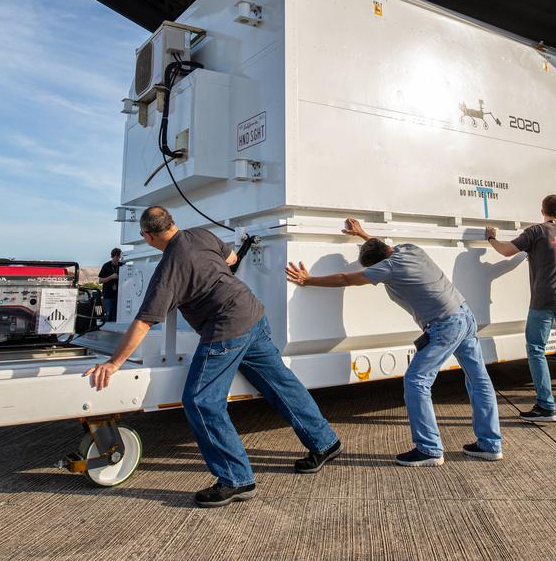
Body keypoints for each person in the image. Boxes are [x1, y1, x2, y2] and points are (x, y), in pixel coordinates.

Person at [85, 206, 341, 508]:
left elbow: (144, 322)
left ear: (148, 236)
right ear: (172, 223)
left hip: (226, 329)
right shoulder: (201, 235)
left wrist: (113, 363)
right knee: (281, 383)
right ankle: (325, 442)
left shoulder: (168, 269)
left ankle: (236, 479)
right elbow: (231, 260)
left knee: (201, 401)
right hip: (252, 314)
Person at [286, 218, 502, 466]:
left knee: (416, 381)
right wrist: (363, 234)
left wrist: (308, 280)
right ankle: (490, 444)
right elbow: (381, 247)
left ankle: (429, 449)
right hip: (464, 314)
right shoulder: (410, 249)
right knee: (478, 379)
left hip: (445, 325)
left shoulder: (388, 268)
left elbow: (345, 278)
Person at [486, 194, 556, 423]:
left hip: (544, 300)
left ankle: (546, 407)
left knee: (536, 349)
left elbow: (506, 251)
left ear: (542, 211)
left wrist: (491, 238)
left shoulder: (536, 232)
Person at [98, 249, 122, 322]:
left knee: (116, 317)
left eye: (119, 257)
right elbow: (100, 281)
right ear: (112, 256)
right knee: (107, 315)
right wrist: (111, 277)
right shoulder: (106, 265)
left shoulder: (122, 265)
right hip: (108, 295)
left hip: (119, 296)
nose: (118, 259)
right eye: (116, 257)